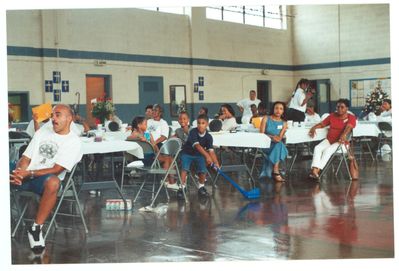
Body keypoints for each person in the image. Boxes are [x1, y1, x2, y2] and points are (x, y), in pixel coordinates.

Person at [10, 104, 82, 253]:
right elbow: (26, 157)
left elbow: (56, 170)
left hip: (43, 180)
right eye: (52, 115)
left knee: (54, 182)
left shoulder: (73, 142)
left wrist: (28, 174)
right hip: (25, 175)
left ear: (69, 118)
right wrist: (19, 173)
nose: (53, 119)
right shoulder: (43, 132)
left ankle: (36, 228)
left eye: (58, 115)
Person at [308, 99, 356, 180]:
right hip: (329, 140)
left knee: (328, 150)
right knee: (317, 148)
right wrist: (314, 127)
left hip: (342, 143)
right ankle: (315, 170)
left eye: (342, 107)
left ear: (347, 108)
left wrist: (344, 134)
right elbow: (322, 124)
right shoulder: (332, 115)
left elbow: (349, 127)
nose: (339, 109)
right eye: (338, 107)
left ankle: (316, 171)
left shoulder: (351, 117)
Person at [178, 114, 220, 200]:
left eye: (203, 123)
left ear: (207, 124)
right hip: (187, 153)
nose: (200, 125)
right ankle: (182, 188)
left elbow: (211, 151)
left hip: (199, 155)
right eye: (198, 123)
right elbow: (197, 146)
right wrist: (207, 156)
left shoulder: (209, 137)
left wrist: (216, 163)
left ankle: (201, 187)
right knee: (184, 168)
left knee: (203, 169)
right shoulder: (193, 132)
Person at [259, 101, 289, 182]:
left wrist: (277, 138)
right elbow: (261, 134)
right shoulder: (266, 118)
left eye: (281, 109)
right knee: (281, 146)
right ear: (273, 109)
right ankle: (275, 171)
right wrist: (272, 137)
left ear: (283, 111)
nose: (278, 110)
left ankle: (275, 170)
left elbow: (280, 137)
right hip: (265, 144)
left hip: (276, 144)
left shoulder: (284, 123)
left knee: (279, 144)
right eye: (276, 108)